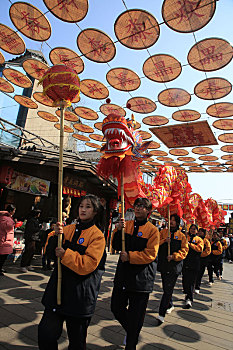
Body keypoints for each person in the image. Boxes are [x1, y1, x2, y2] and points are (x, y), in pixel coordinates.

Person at [38, 194, 106, 350]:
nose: (83, 210)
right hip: (58, 291)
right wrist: (55, 235)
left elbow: (88, 265)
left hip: (79, 295)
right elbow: (49, 253)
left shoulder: (97, 236)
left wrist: (65, 254)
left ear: (95, 211)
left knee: (76, 341)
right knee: (45, 333)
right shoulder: (67, 229)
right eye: (81, 206)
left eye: (88, 207)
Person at [111, 197, 160, 350]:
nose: (138, 208)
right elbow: (116, 245)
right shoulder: (128, 225)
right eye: (137, 206)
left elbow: (150, 254)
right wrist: (118, 230)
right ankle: (132, 332)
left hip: (141, 280)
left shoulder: (153, 230)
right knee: (116, 308)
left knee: (136, 315)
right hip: (123, 276)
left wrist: (130, 257)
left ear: (148, 211)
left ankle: (131, 342)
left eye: (142, 207)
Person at [155, 213, 189, 326]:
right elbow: (156, 243)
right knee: (166, 288)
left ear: (178, 223)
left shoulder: (182, 236)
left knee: (168, 289)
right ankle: (170, 304)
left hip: (174, 266)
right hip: (164, 265)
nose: (171, 222)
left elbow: (184, 251)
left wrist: (174, 256)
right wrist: (164, 241)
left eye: (173, 220)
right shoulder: (163, 232)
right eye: (170, 219)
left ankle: (161, 314)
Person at [182, 224, 204, 308]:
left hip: (195, 262)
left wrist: (190, 244)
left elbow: (200, 249)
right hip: (185, 261)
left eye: (194, 229)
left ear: (197, 231)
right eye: (191, 228)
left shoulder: (199, 239)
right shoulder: (185, 236)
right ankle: (187, 293)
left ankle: (189, 298)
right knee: (185, 279)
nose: (192, 230)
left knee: (191, 281)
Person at [0, 204, 16, 275]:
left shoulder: (3, 217)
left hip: (3, 239)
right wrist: (14, 222)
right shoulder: (7, 219)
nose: (14, 212)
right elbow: (8, 228)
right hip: (5, 240)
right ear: (11, 211)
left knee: (2, 256)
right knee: (2, 257)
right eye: (14, 210)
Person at [195, 228, 211, 293]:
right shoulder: (195, 239)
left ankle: (197, 287)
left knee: (200, 274)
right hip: (195, 259)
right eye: (199, 232)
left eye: (201, 232)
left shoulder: (206, 241)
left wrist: (201, 254)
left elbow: (208, 250)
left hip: (202, 260)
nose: (199, 233)